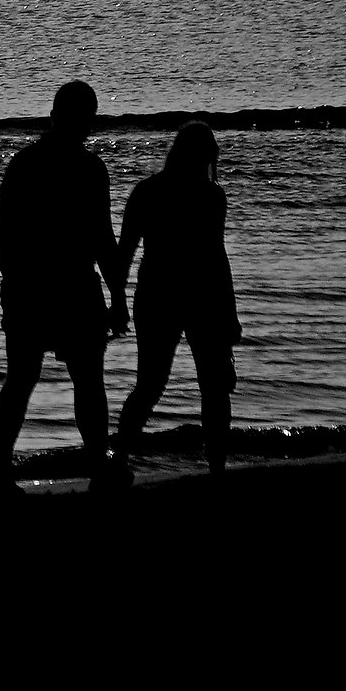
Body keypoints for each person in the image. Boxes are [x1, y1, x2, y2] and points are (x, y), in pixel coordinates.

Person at [0, 80, 124, 492]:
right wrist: (118, 298)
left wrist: (13, 280)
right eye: (86, 119)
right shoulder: (82, 168)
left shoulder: (29, 163)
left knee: (33, 378)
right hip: (63, 286)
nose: (86, 127)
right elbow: (103, 238)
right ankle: (93, 468)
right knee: (74, 381)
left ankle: (4, 470)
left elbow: (4, 233)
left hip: (47, 286)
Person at [111, 122, 241, 476]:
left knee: (150, 386)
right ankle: (216, 468)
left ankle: (119, 459)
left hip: (158, 295)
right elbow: (217, 257)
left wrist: (118, 301)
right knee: (213, 388)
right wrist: (229, 315)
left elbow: (124, 255)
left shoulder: (148, 191)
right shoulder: (211, 196)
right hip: (201, 297)